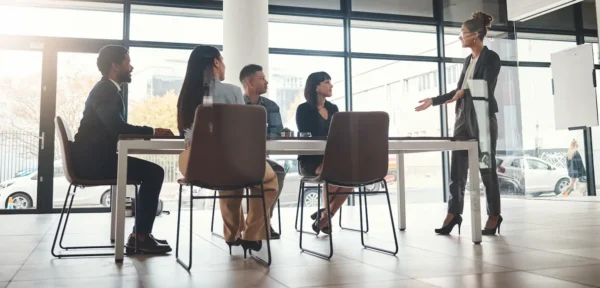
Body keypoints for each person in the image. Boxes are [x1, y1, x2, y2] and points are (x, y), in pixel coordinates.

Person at [72, 45, 174, 254]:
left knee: (152, 172)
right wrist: (153, 131)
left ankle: (140, 235)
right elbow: (116, 127)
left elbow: (114, 127)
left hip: (95, 159)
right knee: (155, 173)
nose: (131, 66)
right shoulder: (106, 90)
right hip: (94, 164)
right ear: (115, 66)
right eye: (128, 62)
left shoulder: (107, 89)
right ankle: (140, 237)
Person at [177, 45, 278, 254]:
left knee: (228, 178)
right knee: (267, 180)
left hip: (194, 164)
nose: (224, 66)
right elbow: (241, 134)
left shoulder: (186, 95)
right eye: (222, 61)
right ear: (215, 63)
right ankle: (251, 234)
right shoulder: (232, 91)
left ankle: (232, 235)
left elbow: (186, 134)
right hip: (230, 160)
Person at [415, 12, 503, 236]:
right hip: (463, 117)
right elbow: (458, 91)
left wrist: (463, 91)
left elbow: (485, 85)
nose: (460, 37)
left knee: (486, 168)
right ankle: (454, 213)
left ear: (475, 35)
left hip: (482, 118)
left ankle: (494, 215)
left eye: (463, 33)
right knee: (457, 169)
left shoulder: (491, 58)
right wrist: (434, 101)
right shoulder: (467, 60)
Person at [296, 71, 354, 234]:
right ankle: (326, 218)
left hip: (332, 160)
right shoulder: (303, 109)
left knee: (351, 176)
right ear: (316, 86)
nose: (331, 85)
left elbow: (339, 133)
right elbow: (308, 135)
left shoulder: (333, 108)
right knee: (334, 174)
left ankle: (325, 216)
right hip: (310, 161)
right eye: (327, 82)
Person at [239, 64, 286, 240]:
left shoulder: (271, 106)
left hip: (260, 159)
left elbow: (276, 132)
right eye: (261, 78)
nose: (266, 82)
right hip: (237, 160)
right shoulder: (236, 103)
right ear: (249, 82)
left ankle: (263, 222)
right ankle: (253, 225)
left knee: (278, 171)